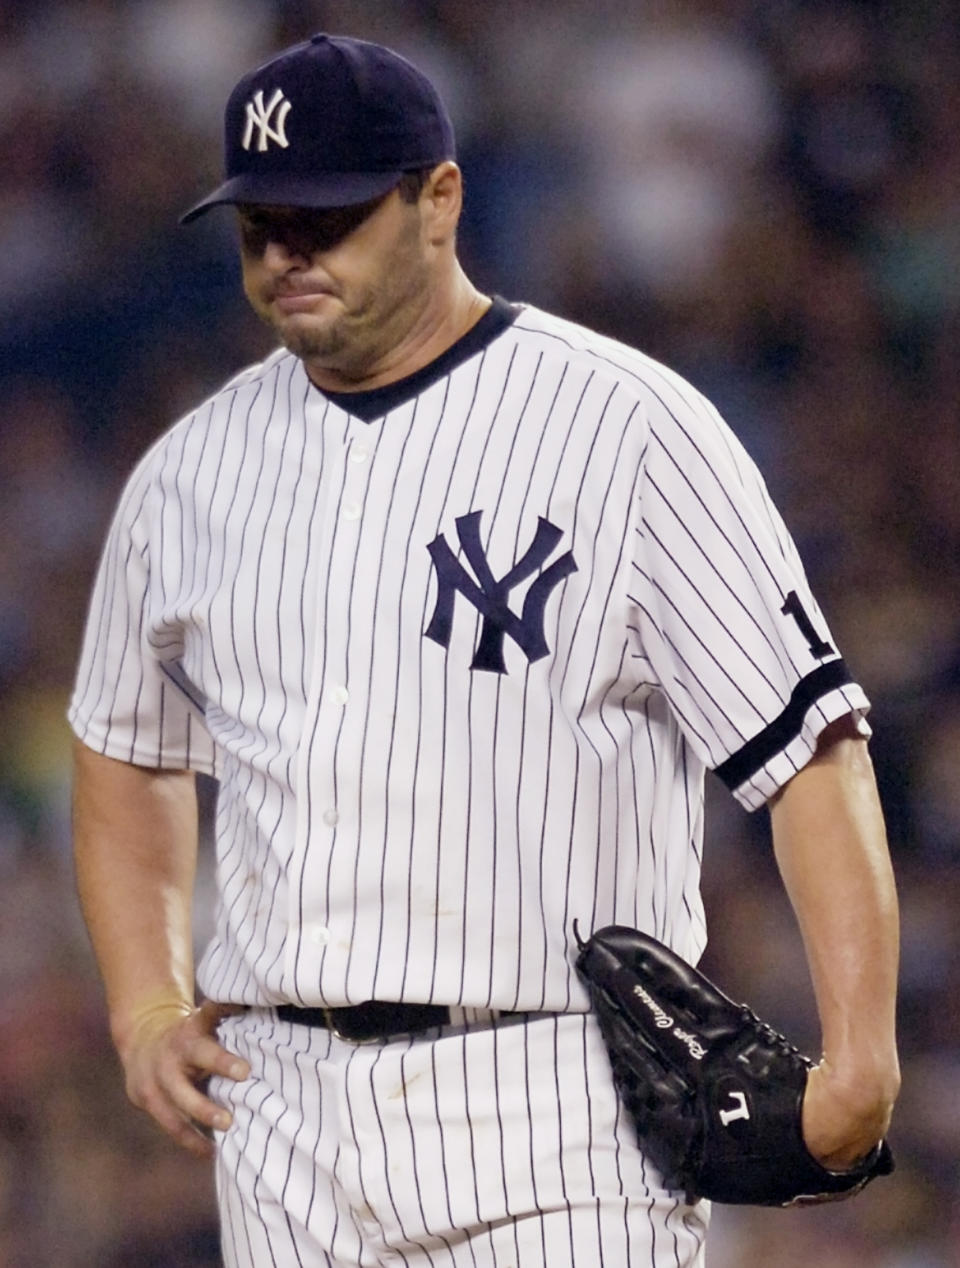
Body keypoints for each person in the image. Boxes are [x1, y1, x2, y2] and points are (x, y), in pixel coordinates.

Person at [70, 32, 900, 1268]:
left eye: (328, 216)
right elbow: (123, 749)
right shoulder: (189, 469)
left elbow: (807, 745)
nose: (288, 251)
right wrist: (145, 1002)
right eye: (260, 224)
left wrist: (862, 1051)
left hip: (557, 1097)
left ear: (439, 199)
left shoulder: (627, 426)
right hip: (280, 1115)